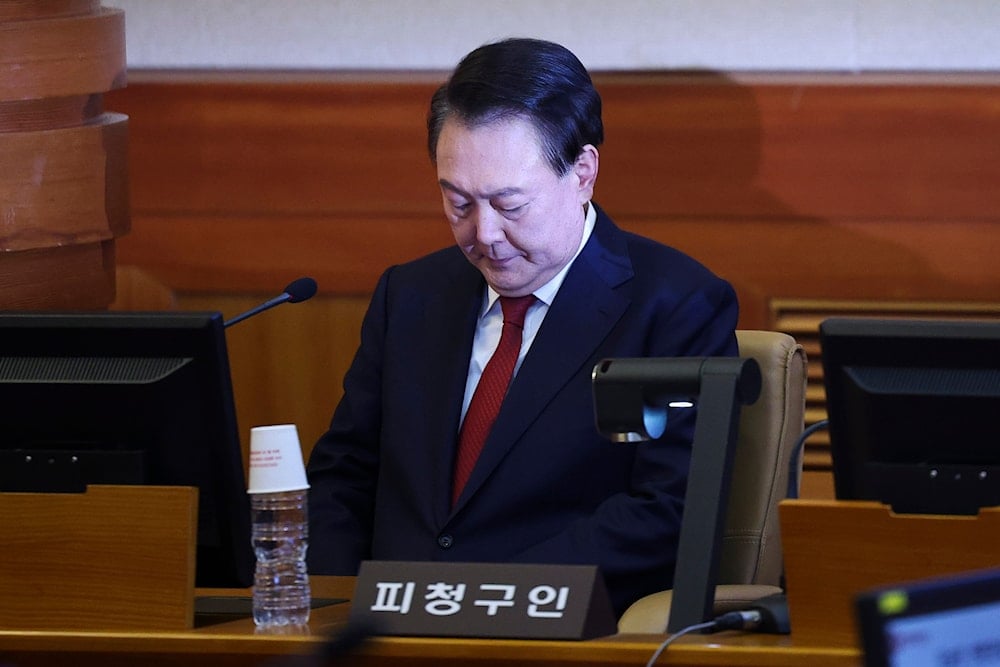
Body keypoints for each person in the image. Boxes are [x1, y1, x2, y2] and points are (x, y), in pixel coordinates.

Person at [306, 37, 738, 617]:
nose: (482, 233)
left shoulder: (677, 307)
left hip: (556, 628)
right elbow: (345, 476)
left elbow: (670, 509)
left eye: (510, 205)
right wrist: (331, 606)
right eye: (458, 202)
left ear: (582, 173)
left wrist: (476, 598)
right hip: (383, 631)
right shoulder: (408, 296)